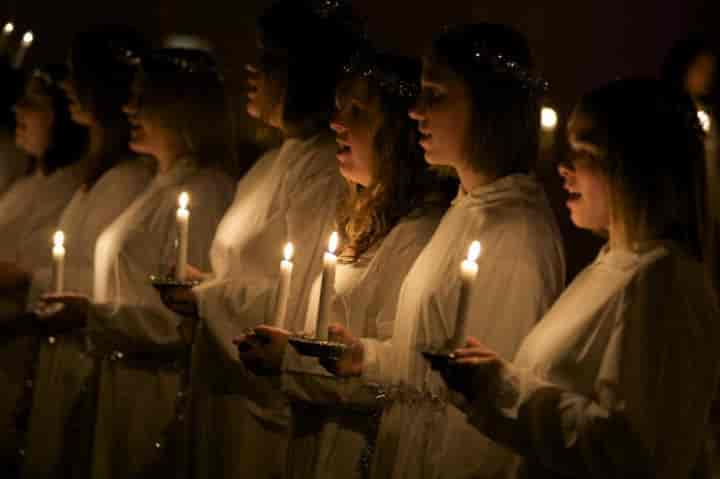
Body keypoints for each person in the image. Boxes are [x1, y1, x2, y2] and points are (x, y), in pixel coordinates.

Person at [434, 79, 719, 479]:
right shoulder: (611, 268)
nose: (563, 168)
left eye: (583, 151)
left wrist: (502, 388)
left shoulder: (663, 281)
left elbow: (632, 452)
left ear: (635, 165)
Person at [329, 24, 565, 478]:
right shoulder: (468, 209)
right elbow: (430, 355)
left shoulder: (513, 236)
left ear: (488, 107)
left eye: (435, 96)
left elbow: (483, 417)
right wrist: (366, 357)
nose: (415, 111)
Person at [159, 1, 358, 477]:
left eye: (268, 59)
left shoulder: (323, 170)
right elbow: (247, 273)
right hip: (222, 384)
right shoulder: (272, 163)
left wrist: (207, 297)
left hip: (261, 408)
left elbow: (301, 298)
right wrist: (207, 288)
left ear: (301, 75)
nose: (251, 69)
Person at [236, 47, 455, 479]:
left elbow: (396, 378)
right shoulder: (362, 219)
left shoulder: (418, 237)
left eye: (357, 111)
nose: (337, 122)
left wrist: (291, 361)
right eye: (339, 107)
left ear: (397, 133)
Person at [19, 26, 154, 478]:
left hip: (90, 353)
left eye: (78, 78)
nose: (68, 89)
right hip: (65, 350)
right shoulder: (96, 174)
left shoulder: (130, 179)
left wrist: (29, 281)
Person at [0, 63, 86, 474]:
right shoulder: (23, 183)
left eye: (32, 104)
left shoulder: (70, 188)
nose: (18, 110)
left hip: (26, 350)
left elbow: (33, 273)